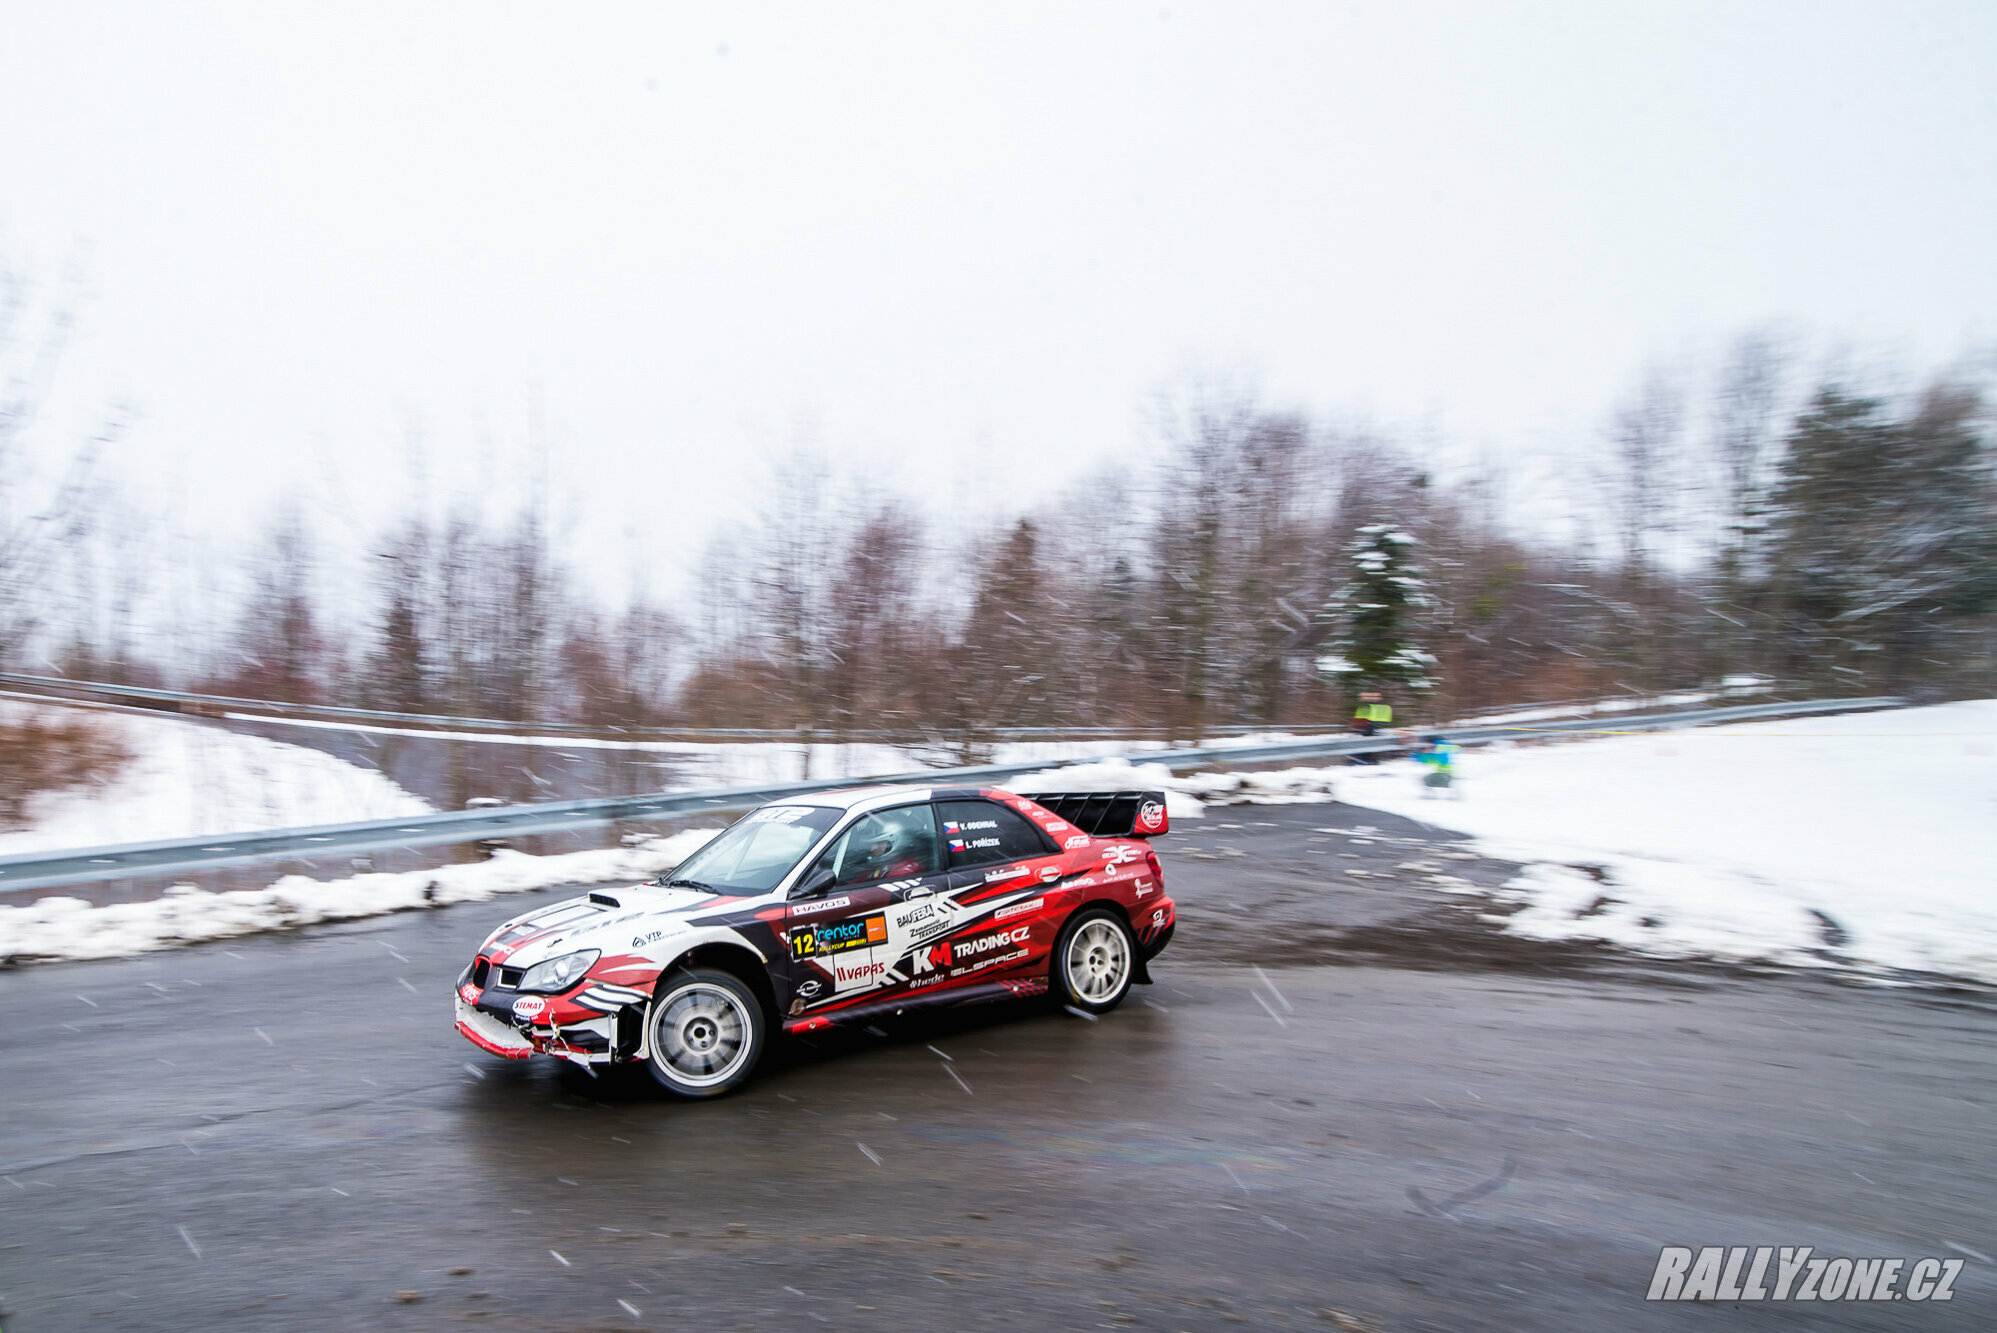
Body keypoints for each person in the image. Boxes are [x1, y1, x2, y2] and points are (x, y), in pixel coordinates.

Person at [1349, 692, 1393, 764]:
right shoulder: (1370, 706)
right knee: (1368, 741)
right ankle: (1365, 758)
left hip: (1370, 724)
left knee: (1369, 741)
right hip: (1368, 725)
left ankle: (1366, 758)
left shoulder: (1372, 706)